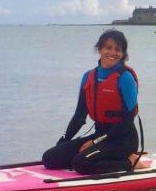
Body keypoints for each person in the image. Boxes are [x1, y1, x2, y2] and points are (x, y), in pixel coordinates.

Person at [42, 29, 142, 175]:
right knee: (50, 158)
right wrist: (63, 141)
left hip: (123, 139)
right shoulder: (88, 77)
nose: (113, 53)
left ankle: (129, 161)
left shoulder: (125, 78)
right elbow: (79, 116)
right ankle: (95, 156)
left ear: (123, 54)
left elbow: (127, 122)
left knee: (81, 164)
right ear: (100, 49)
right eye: (108, 47)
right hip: (100, 134)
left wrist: (94, 143)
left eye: (118, 50)